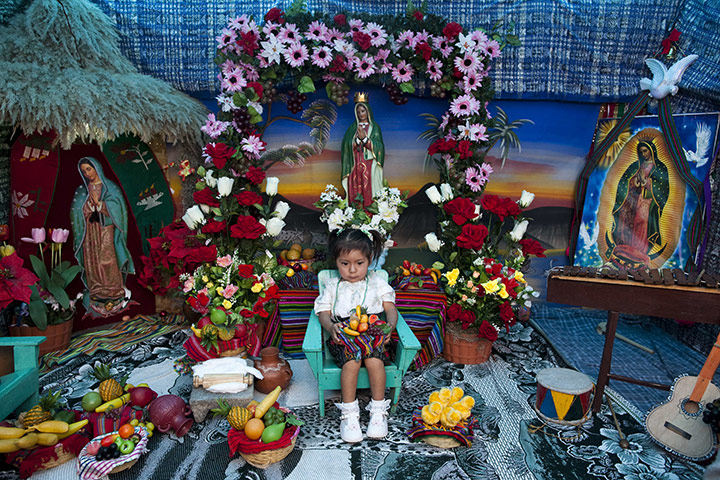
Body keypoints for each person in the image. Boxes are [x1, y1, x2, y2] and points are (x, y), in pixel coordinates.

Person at [314, 228, 398, 443]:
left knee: (374, 359)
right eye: (345, 263)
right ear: (336, 261)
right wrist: (330, 327)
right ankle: (349, 414)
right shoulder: (333, 286)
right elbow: (323, 313)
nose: (352, 270)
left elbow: (390, 308)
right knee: (351, 362)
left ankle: (378, 412)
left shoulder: (377, 283)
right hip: (344, 332)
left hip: (373, 329)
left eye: (359, 263)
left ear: (369, 260)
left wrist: (390, 326)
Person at [70, 157, 134, 317]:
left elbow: (117, 207)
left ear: (96, 167)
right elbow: (77, 210)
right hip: (90, 231)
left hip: (106, 228)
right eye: (84, 171)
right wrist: (88, 207)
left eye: (89, 169)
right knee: (93, 259)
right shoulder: (83, 189)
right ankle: (96, 290)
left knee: (108, 258)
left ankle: (114, 290)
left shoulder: (109, 187)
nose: (87, 173)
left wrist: (100, 204)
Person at [606, 139, 669, 268]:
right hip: (633, 198)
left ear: (652, 151)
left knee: (642, 222)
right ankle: (626, 247)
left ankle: (639, 250)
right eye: (641, 152)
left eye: (645, 151)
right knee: (628, 220)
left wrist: (649, 183)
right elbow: (625, 181)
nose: (644, 154)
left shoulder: (660, 168)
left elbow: (662, 187)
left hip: (648, 201)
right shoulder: (636, 165)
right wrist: (634, 181)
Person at [340, 94, 385, 208]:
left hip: (368, 163)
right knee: (355, 185)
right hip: (354, 163)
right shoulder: (352, 128)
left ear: (368, 111)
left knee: (368, 186)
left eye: (363, 111)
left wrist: (365, 139)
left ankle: (369, 210)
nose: (361, 114)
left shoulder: (374, 127)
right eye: (358, 112)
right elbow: (346, 144)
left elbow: (379, 146)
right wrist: (355, 142)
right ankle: (355, 211)